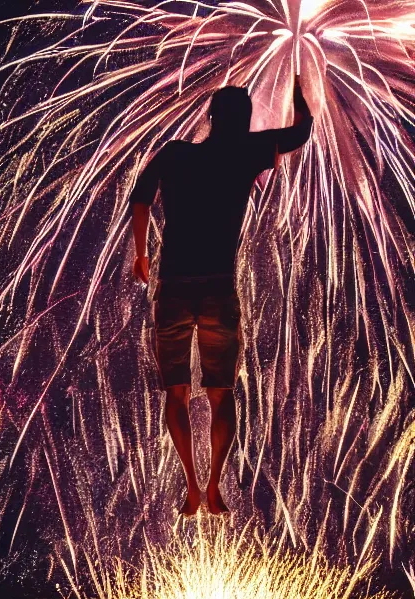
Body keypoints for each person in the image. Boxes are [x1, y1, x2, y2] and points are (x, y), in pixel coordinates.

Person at [130, 76, 313, 517]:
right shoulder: (246, 152)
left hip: (173, 287)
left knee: (175, 392)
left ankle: (192, 485)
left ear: (210, 118)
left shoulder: (174, 154)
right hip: (217, 288)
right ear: (245, 121)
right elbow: (302, 131)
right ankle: (213, 486)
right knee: (220, 392)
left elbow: (140, 198)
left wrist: (141, 255)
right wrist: (299, 88)